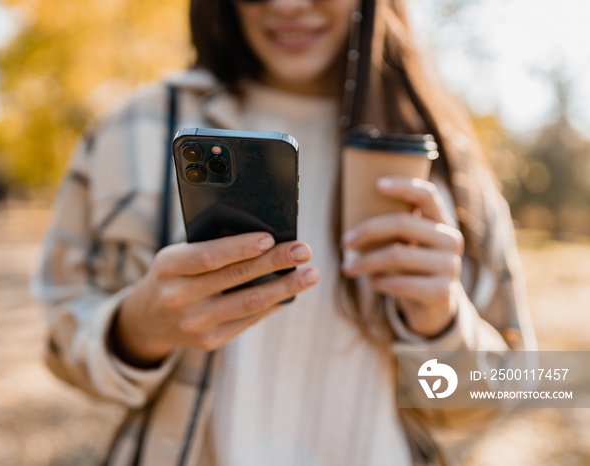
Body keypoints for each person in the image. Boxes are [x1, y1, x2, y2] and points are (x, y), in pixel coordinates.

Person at [31, 0, 536, 464]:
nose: (288, 5)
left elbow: (504, 397)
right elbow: (59, 343)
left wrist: (440, 323)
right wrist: (138, 329)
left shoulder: (445, 156)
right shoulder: (134, 128)